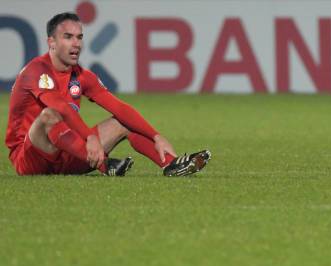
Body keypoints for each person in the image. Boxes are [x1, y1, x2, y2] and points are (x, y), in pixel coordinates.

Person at [5, 12, 211, 177]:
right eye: (68, 37)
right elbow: (60, 109)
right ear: (51, 42)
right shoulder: (35, 71)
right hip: (31, 159)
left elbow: (119, 107)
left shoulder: (82, 76)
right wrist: (89, 138)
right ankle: (105, 165)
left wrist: (156, 136)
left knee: (123, 121)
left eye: (79, 37)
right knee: (50, 115)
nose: (76, 43)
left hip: (73, 154)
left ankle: (171, 165)